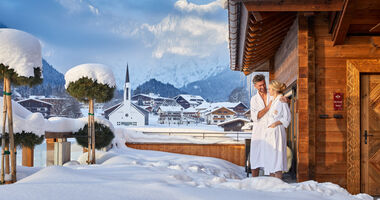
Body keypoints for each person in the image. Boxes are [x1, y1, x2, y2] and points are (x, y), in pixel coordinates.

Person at [250, 74, 288, 177]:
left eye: (263, 84)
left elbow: (282, 103)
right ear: (255, 86)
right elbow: (255, 117)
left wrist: (286, 100)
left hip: (272, 130)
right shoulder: (254, 99)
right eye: (259, 86)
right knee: (256, 156)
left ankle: (271, 182)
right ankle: (254, 181)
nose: (262, 87)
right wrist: (267, 107)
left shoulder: (273, 94)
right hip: (259, 130)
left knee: (272, 156)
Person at [263, 80, 291, 179]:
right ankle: (271, 184)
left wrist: (276, 123)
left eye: (270, 89)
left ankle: (278, 182)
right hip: (270, 132)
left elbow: (287, 118)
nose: (268, 91)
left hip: (277, 131)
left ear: (274, 90)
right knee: (270, 157)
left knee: (277, 156)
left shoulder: (281, 100)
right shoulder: (273, 100)